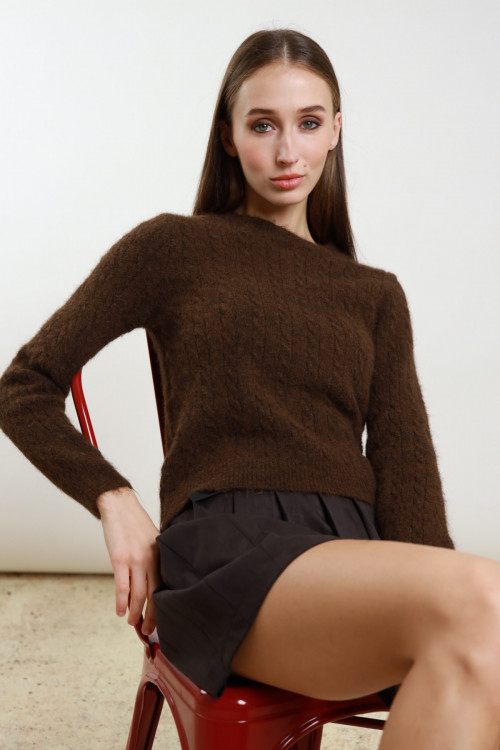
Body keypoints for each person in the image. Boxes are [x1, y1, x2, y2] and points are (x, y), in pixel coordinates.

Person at [0, 27, 499, 749]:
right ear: (228, 137)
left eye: (309, 123)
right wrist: (115, 500)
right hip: (230, 552)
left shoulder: (374, 294)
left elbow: (407, 472)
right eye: (263, 125)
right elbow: (23, 387)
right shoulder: (173, 248)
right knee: (485, 598)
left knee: (482, 624)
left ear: (336, 131)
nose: (288, 151)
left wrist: (444, 591)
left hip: (350, 555)